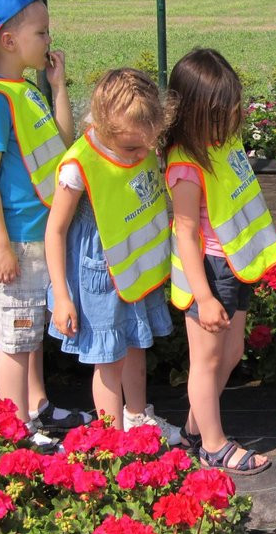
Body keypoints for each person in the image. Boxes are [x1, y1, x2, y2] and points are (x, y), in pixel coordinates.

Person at [0, 0, 90, 445]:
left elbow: (62, 143)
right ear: (9, 40)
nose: (48, 39)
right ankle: (16, 428)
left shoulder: (24, 91)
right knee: (15, 341)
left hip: (37, 236)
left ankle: (38, 406)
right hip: (15, 242)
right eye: (41, 32)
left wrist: (57, 88)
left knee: (30, 333)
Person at [45, 68, 182, 446]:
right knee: (108, 359)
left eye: (147, 146)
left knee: (136, 344)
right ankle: (113, 442)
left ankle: (137, 418)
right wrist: (61, 295)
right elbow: (55, 231)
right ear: (104, 126)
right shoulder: (77, 166)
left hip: (131, 270)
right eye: (133, 149)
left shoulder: (134, 137)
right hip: (99, 277)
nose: (143, 155)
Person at [164, 48, 276, 474]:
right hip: (209, 274)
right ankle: (213, 445)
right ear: (191, 113)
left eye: (233, 108)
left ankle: (195, 428)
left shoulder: (222, 143)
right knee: (207, 360)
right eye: (220, 113)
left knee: (230, 353)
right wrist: (203, 296)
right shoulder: (185, 164)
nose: (232, 119)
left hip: (233, 266)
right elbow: (185, 233)